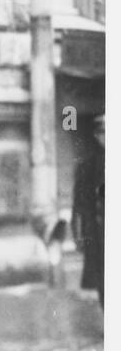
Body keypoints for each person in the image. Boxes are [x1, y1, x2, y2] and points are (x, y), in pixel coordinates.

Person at [73, 114, 104, 309]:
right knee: (104, 277)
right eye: (102, 132)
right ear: (96, 135)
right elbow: (80, 203)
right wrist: (79, 234)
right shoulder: (87, 165)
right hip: (98, 232)